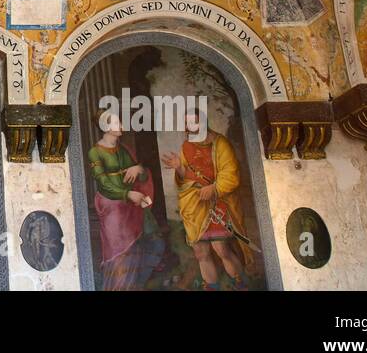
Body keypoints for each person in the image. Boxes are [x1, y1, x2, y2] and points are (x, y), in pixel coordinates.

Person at [159, 111, 252, 290]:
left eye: (193, 122)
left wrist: (214, 188)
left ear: (203, 122)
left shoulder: (220, 143)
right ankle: (211, 286)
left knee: (221, 249)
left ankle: (240, 285)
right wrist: (179, 168)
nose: (189, 127)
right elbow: (186, 179)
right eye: (187, 123)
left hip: (218, 203)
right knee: (200, 252)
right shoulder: (186, 146)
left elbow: (231, 174)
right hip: (195, 205)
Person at [87, 113, 164, 289]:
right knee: (120, 255)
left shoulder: (123, 150)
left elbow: (140, 176)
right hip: (112, 209)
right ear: (105, 127)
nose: (121, 124)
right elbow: (104, 184)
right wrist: (127, 194)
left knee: (150, 246)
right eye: (116, 122)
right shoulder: (95, 152)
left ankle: (136, 286)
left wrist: (138, 169)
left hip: (132, 207)